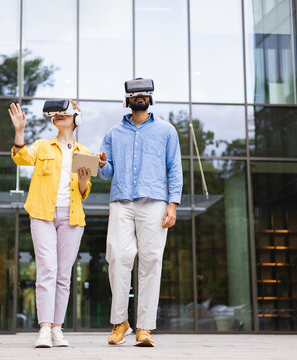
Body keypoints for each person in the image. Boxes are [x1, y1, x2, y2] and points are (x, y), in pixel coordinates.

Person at [97, 78, 183, 347]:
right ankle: (120, 321)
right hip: (121, 201)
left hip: (155, 202)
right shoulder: (112, 133)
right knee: (118, 257)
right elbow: (106, 172)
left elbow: (175, 168)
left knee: (151, 263)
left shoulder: (167, 131)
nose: (140, 96)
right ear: (128, 98)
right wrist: (101, 164)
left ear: (150, 97)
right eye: (135, 93)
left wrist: (173, 203)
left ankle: (144, 328)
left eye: (145, 92)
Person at [9, 99, 92, 348]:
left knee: (64, 276)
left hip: (73, 217)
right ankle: (44, 329)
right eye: (55, 114)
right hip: (43, 214)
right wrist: (19, 130)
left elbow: (83, 191)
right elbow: (21, 157)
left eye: (63, 113)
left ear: (76, 118)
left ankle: (58, 328)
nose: (58, 116)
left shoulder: (84, 152)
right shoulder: (42, 145)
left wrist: (84, 180)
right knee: (47, 270)